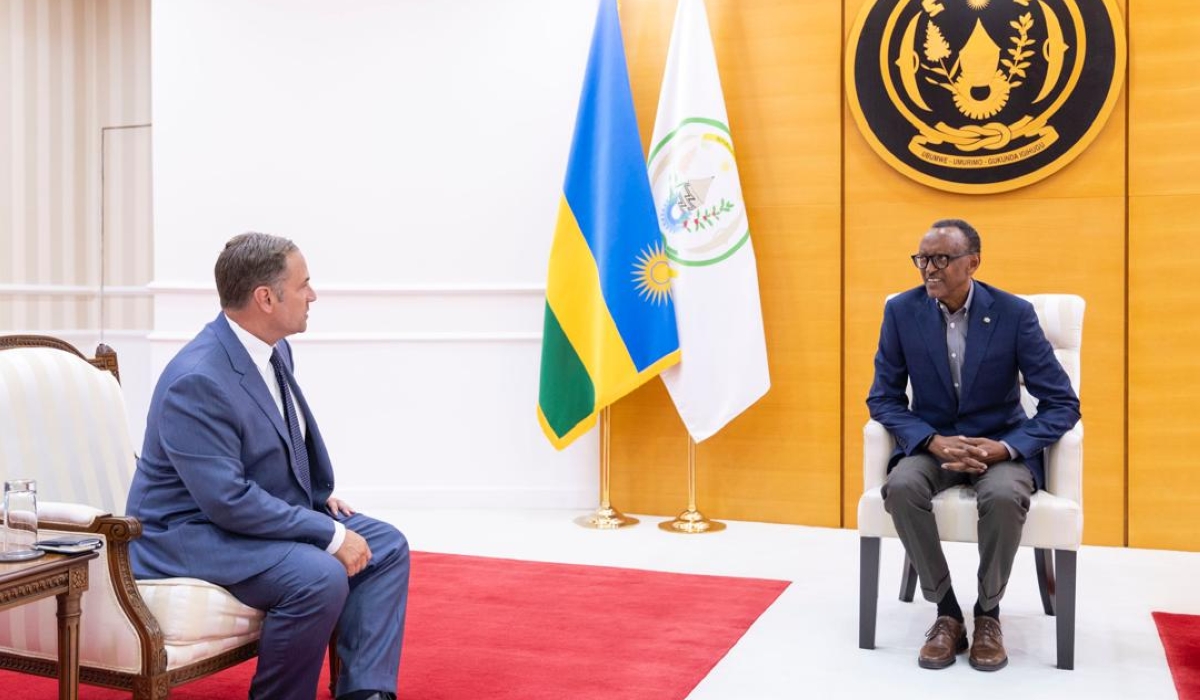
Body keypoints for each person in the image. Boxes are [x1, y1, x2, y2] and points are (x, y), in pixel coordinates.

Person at [126, 232, 408, 700]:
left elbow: (268, 449)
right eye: (303, 285)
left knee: (387, 546)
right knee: (318, 575)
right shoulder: (197, 379)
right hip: (188, 534)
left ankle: (366, 693)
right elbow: (227, 500)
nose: (312, 295)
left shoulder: (272, 350)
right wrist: (328, 533)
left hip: (235, 518)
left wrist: (316, 503)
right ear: (266, 298)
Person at [866, 219, 1080, 672]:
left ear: (973, 262)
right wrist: (931, 440)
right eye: (922, 259)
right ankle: (946, 612)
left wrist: (1007, 449)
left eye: (941, 259)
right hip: (934, 445)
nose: (929, 269)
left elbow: (1062, 403)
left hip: (998, 444)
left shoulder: (1014, 314)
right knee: (901, 486)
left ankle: (988, 614)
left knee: (1004, 495)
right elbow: (882, 398)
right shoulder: (902, 312)